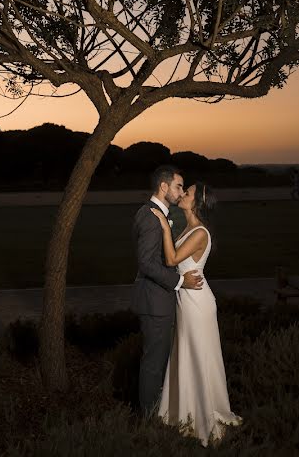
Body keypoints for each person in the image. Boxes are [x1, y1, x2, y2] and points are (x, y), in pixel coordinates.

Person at [149, 181, 242, 445]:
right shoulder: (189, 227)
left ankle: (203, 414)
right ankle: (183, 413)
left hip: (197, 303)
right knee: (186, 352)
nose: (183, 194)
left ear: (196, 203)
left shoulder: (200, 232)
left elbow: (171, 260)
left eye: (187, 193)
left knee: (199, 354)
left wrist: (165, 227)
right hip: (185, 298)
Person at [131, 166, 204, 419]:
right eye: (178, 186)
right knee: (153, 364)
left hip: (158, 299)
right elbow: (147, 263)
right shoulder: (151, 217)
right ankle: (149, 419)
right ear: (164, 187)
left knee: (157, 361)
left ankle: (156, 411)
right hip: (154, 301)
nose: (181, 191)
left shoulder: (157, 214)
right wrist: (180, 281)